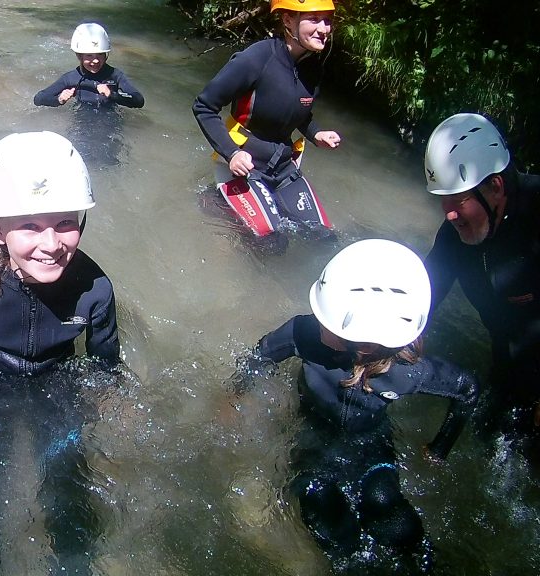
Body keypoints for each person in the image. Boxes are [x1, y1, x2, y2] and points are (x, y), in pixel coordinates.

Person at [0, 131, 120, 575]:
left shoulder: (95, 290)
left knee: (69, 484)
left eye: (65, 223)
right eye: (30, 226)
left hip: (59, 381)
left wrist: (111, 400)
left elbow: (106, 365)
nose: (51, 245)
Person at [236, 239, 478, 571]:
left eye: (329, 319)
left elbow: (466, 390)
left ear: (369, 340)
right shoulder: (304, 334)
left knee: (388, 509)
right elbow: (261, 354)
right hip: (312, 445)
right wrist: (235, 396)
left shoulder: (407, 372)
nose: (317, 320)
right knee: (324, 510)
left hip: (371, 448)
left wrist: (440, 449)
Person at [421, 112, 540, 461]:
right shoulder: (455, 235)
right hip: (507, 360)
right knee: (491, 444)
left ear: (496, 187)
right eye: (441, 202)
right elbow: (424, 297)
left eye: (457, 202)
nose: (449, 215)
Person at [193, 0, 340, 253]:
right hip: (243, 165)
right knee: (272, 244)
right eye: (314, 19)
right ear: (287, 21)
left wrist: (316, 133)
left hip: (282, 164)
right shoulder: (255, 58)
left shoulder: (313, 65)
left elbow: (299, 113)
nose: (324, 28)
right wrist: (232, 153)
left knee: (324, 237)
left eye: (327, 20)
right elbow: (204, 106)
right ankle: (218, 202)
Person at [33, 23, 145, 111]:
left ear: (106, 54)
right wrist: (59, 99)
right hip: (82, 122)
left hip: (111, 121)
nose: (95, 60)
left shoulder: (115, 75)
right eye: (89, 56)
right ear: (79, 56)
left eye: (100, 55)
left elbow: (139, 100)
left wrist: (112, 94)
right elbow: (38, 99)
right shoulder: (71, 78)